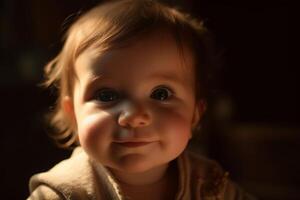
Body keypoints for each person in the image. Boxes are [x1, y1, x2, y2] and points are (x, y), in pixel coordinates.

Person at [27, 0, 256, 199]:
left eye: (161, 94)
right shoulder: (62, 192)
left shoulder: (209, 184)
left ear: (194, 115)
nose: (133, 116)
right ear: (73, 115)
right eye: (106, 95)